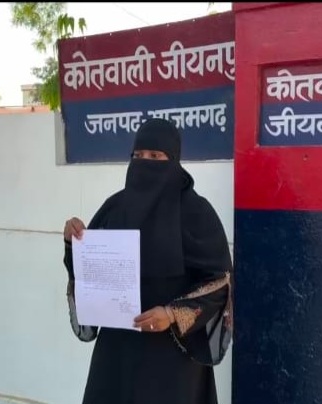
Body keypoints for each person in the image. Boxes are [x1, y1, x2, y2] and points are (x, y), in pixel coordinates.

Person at [62, 118, 233, 404]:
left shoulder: (196, 213)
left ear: (173, 160)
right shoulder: (115, 208)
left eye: (155, 156)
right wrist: (74, 244)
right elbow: (89, 275)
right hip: (118, 353)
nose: (144, 163)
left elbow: (220, 283)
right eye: (138, 155)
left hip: (172, 357)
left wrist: (172, 313)